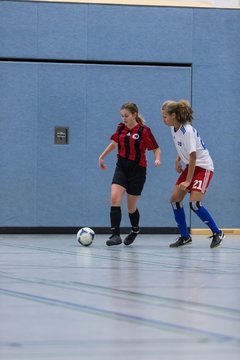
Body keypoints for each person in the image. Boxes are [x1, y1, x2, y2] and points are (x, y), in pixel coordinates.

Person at [161, 99, 224, 248]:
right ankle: (185, 236)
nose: (163, 119)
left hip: (203, 167)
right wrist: (178, 159)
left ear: (174, 115)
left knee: (194, 204)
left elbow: (193, 155)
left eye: (165, 116)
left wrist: (188, 181)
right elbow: (185, 148)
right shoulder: (173, 129)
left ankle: (217, 233)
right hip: (191, 165)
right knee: (175, 200)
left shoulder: (186, 130)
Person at [99, 102, 161, 246]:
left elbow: (156, 149)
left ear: (134, 114)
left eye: (126, 116)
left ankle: (135, 230)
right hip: (121, 167)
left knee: (131, 207)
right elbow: (114, 144)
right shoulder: (120, 128)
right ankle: (115, 235)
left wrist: (157, 159)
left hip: (137, 170)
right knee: (114, 198)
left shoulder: (144, 131)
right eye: (122, 116)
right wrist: (102, 156)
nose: (124, 119)